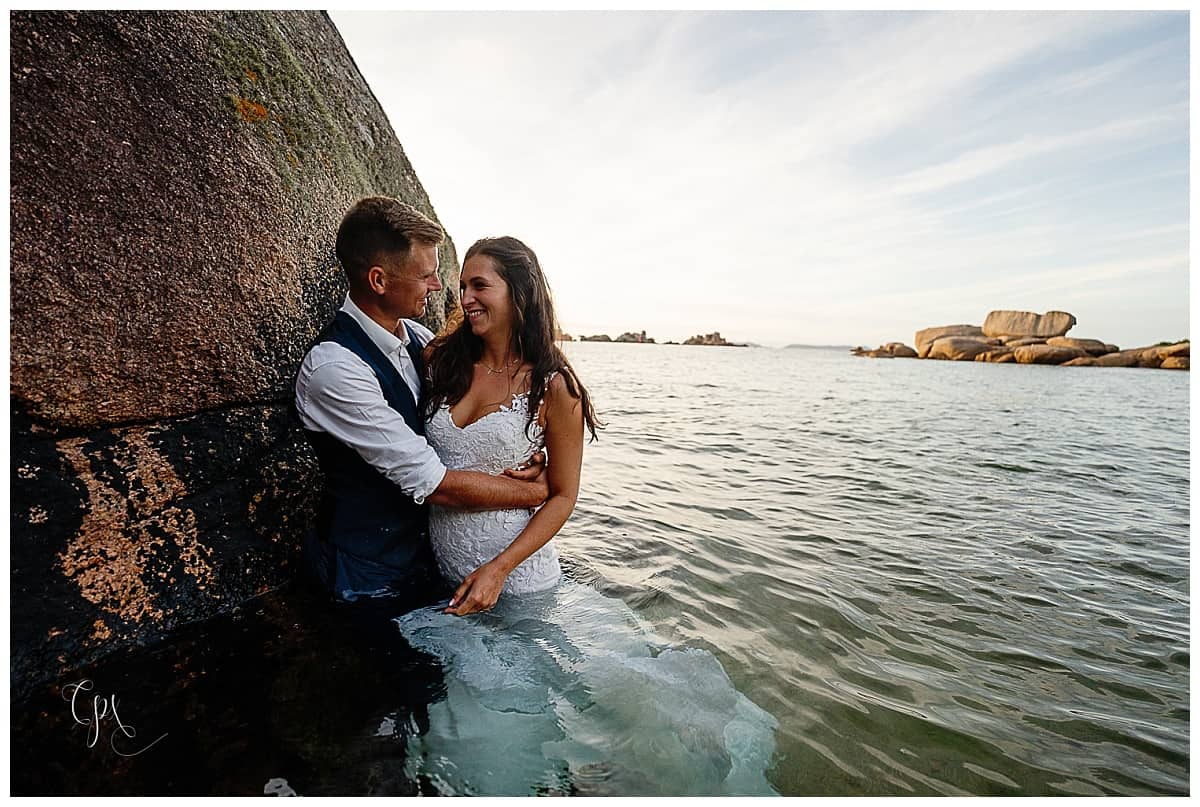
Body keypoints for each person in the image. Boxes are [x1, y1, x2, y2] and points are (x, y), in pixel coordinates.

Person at [395, 237, 778, 795]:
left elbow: (563, 496)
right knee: (488, 698)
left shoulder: (555, 387)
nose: (467, 298)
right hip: (448, 574)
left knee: (542, 693)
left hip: (520, 579)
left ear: (520, 293)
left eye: (481, 285)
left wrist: (501, 568)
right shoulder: (441, 359)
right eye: (463, 286)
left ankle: (595, 774)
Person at [294, 198, 549, 610]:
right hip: (364, 576)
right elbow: (432, 482)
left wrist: (525, 453)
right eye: (426, 276)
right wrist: (536, 491)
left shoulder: (416, 338)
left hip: (427, 564)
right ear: (378, 280)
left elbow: (487, 402)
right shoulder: (335, 369)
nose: (436, 286)